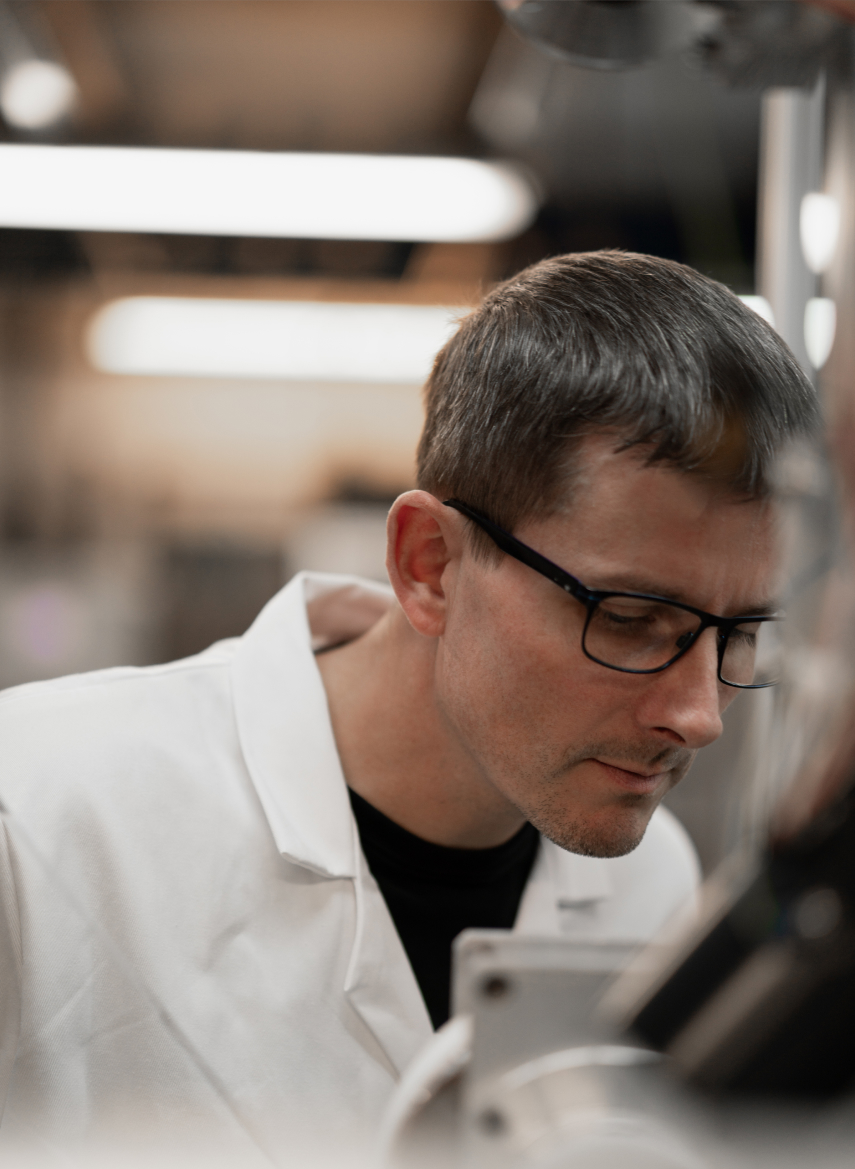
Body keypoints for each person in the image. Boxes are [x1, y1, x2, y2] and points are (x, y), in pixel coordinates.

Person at [0, 252, 816, 1162]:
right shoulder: (34, 812)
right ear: (429, 562)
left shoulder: (647, 880)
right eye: (629, 619)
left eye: (743, 632)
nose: (698, 714)